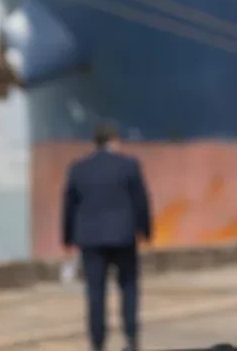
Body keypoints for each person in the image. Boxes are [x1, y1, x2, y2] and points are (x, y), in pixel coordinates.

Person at [61, 123, 152, 351]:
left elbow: (69, 206)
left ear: (95, 141)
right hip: (123, 237)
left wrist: (67, 238)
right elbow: (141, 201)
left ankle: (97, 342)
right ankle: (130, 339)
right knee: (128, 287)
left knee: (95, 292)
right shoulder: (129, 165)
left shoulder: (78, 168)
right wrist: (145, 231)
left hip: (90, 240)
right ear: (114, 139)